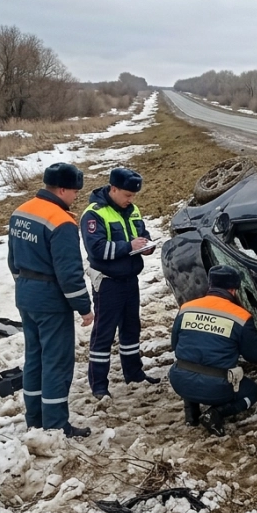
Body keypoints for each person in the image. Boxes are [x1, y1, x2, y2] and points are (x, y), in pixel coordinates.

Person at [7, 163, 95, 438]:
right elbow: (69, 273)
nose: (76, 197)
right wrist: (84, 307)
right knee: (57, 362)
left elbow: (12, 259)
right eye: (74, 192)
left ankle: (34, 418)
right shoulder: (62, 222)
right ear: (62, 189)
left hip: (25, 293)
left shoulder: (21, 211)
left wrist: (24, 285)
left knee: (34, 358)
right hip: (50, 300)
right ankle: (56, 425)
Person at [80, 167, 158, 398]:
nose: (130, 200)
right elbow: (96, 249)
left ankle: (134, 373)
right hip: (108, 282)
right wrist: (129, 247)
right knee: (104, 333)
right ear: (113, 189)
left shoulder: (132, 210)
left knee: (131, 329)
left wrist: (147, 246)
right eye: (127, 195)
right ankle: (99, 385)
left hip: (130, 279)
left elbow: (142, 234)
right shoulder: (94, 214)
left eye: (133, 196)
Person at [169, 265, 257, 436]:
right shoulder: (240, 317)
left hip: (179, 381)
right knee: (252, 392)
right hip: (216, 388)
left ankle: (191, 414)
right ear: (233, 290)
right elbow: (256, 355)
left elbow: (175, 344)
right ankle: (216, 413)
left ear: (210, 285)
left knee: (192, 362)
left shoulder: (187, 308)